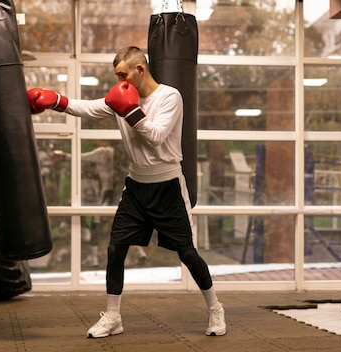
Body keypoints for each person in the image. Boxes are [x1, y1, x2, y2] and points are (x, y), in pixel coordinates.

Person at [27, 46, 226, 338]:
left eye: (123, 74)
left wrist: (131, 110)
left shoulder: (169, 97)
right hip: (136, 186)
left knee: (186, 252)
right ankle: (113, 316)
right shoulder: (122, 97)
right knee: (115, 248)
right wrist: (56, 101)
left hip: (167, 186)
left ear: (139, 69)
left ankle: (215, 309)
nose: (119, 80)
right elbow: (89, 107)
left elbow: (157, 136)